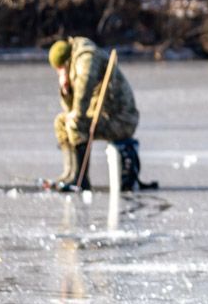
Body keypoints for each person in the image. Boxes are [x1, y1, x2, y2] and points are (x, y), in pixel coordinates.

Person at [47, 37, 142, 192]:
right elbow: (70, 109)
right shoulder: (75, 62)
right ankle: (69, 173)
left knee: (75, 123)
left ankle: (80, 179)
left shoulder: (86, 59)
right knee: (61, 122)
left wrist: (76, 116)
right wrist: (66, 90)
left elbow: (83, 94)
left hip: (121, 119)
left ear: (65, 63)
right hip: (104, 116)